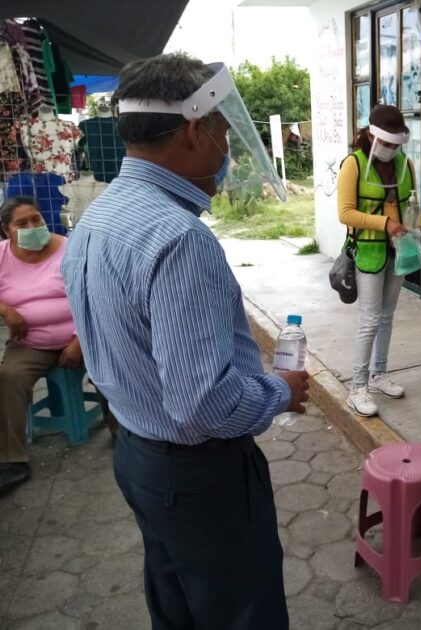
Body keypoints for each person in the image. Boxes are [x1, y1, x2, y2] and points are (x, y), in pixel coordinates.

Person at [61, 53, 309, 630]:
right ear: (196, 131)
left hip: (138, 455)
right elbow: (203, 405)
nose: (228, 147)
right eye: (223, 129)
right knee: (242, 611)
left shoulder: (97, 217)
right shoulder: (178, 239)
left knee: (177, 603)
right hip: (200, 476)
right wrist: (280, 390)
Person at [337, 104, 420, 418]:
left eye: (396, 144)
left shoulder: (405, 164)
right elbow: (345, 213)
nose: (390, 149)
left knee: (387, 317)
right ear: (371, 136)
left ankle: (379, 375)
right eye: (386, 142)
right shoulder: (354, 165)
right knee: (370, 319)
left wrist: (417, 226)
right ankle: (357, 387)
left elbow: (412, 203)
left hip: (400, 251)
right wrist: (384, 224)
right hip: (368, 251)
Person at [0, 197, 83, 494]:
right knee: (8, 377)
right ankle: (12, 461)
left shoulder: (70, 249)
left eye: (36, 219)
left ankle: (123, 434)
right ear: (6, 230)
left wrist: (79, 340)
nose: (32, 226)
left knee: (114, 363)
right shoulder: (1, 255)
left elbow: (92, 296)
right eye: (22, 223)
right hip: (30, 343)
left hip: (81, 337)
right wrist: (5, 310)